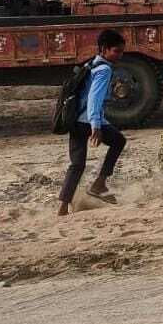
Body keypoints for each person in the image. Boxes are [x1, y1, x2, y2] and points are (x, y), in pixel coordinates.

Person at [57, 29, 128, 216]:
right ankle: (99, 184)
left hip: (75, 120)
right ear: (104, 49)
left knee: (77, 164)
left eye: (121, 51)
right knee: (119, 141)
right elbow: (94, 100)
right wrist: (96, 126)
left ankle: (63, 206)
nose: (120, 55)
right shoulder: (104, 69)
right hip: (89, 120)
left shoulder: (92, 63)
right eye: (116, 51)